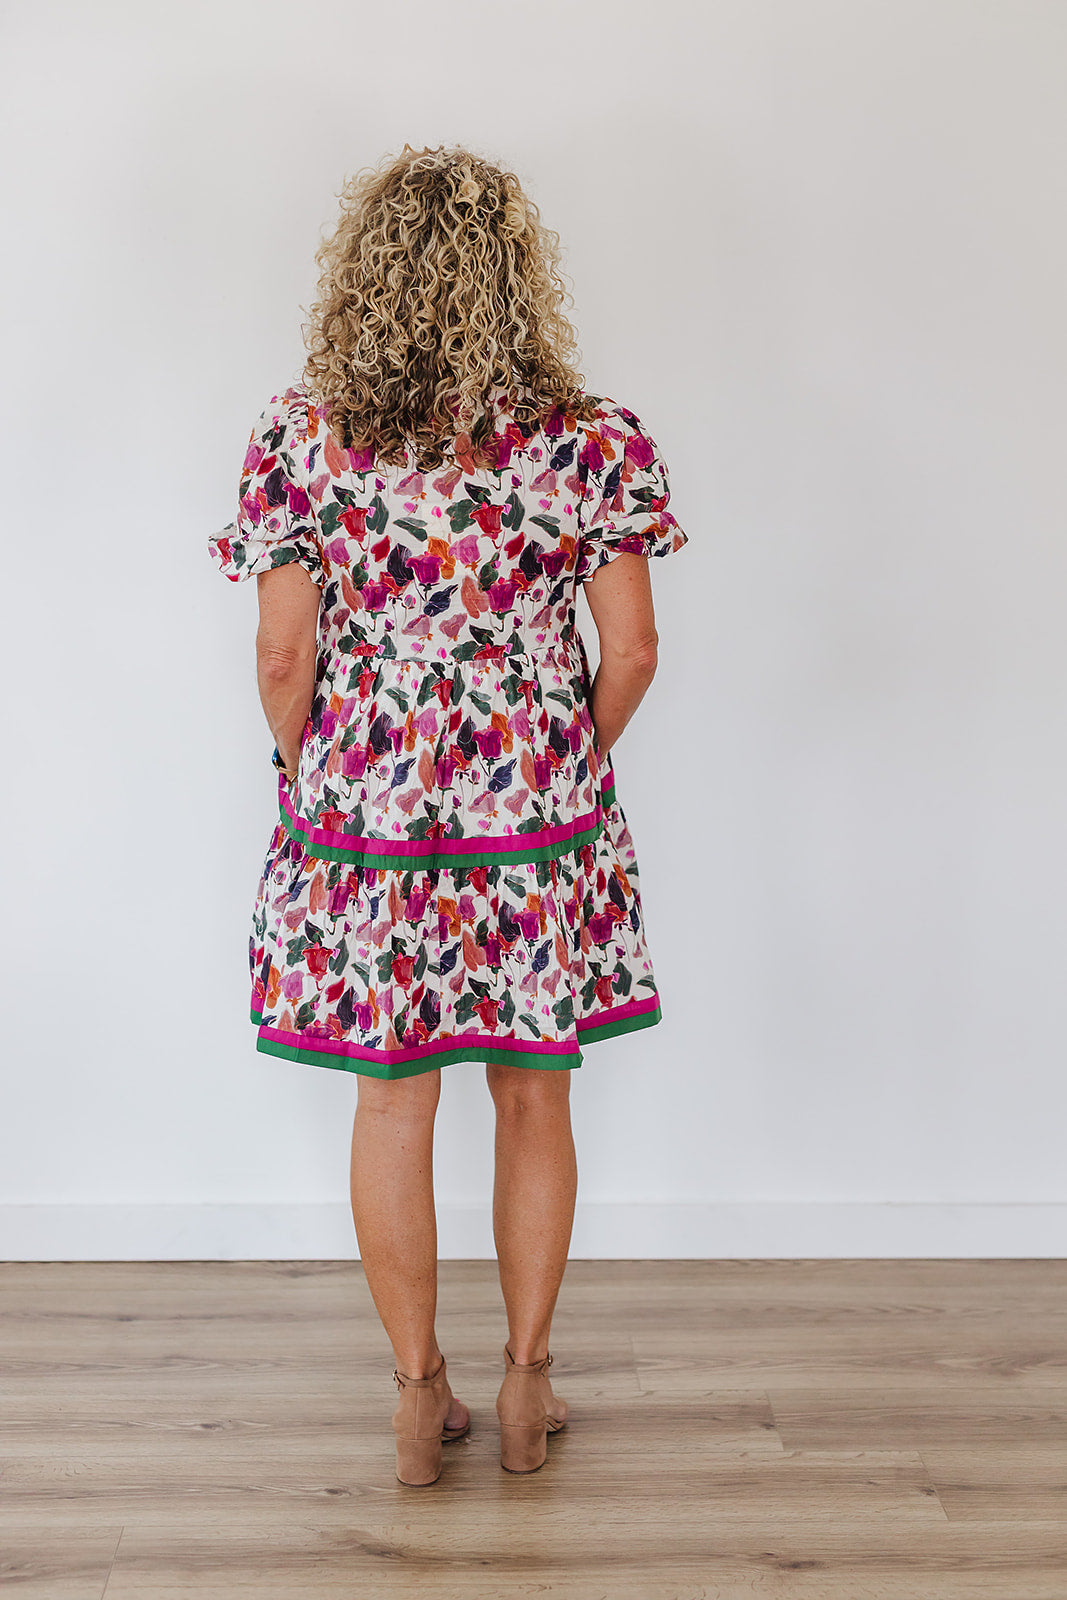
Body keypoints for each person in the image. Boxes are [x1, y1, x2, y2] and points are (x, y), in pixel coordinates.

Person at [208, 144, 687, 1485]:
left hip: (370, 802)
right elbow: (635, 650)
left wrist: (306, 771)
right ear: (516, 275)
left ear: (362, 278)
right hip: (537, 794)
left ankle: (421, 1400)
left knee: (392, 1099)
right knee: (537, 1091)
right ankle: (529, 1384)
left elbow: (284, 655)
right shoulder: (593, 441)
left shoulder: (303, 437)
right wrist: (566, 753)